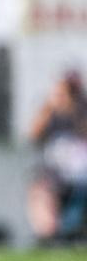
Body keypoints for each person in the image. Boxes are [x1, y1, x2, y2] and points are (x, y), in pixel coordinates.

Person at [27, 71, 87, 244]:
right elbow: (33, 135)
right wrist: (50, 106)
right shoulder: (51, 113)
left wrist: (75, 109)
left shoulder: (82, 112)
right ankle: (49, 235)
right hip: (56, 178)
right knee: (39, 192)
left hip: (81, 178)